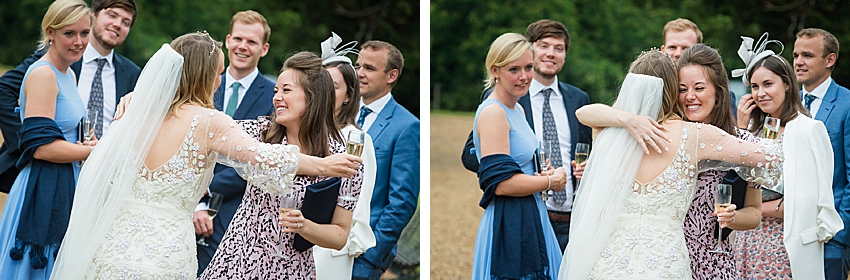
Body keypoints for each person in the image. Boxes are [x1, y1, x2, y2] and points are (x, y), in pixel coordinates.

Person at [50, 32, 361, 279]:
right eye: (218, 73)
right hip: (175, 255)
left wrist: (140, 98)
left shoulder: (141, 116)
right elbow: (265, 156)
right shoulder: (215, 123)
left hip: (114, 246)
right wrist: (322, 165)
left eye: (286, 90)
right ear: (204, 74)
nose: (220, 81)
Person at [559, 50, 784, 279]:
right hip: (665, 261)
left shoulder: (609, 134)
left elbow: (583, 113)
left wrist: (627, 120)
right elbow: (771, 156)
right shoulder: (695, 136)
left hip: (612, 261)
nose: (689, 96)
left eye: (698, 88)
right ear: (671, 90)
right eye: (682, 89)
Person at [200, 51, 364, 279]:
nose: (277, 97)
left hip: (291, 269)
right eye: (276, 90)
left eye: (286, 90)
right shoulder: (259, 135)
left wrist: (304, 226)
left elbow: (339, 236)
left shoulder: (342, 159)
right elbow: (204, 128)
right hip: (238, 261)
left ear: (313, 96)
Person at [460, 20, 592, 252]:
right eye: (544, 46)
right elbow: (472, 155)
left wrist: (588, 166)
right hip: (524, 211)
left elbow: (587, 150)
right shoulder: (507, 100)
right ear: (529, 50)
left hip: (574, 218)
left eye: (559, 48)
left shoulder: (579, 99)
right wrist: (524, 177)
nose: (551, 53)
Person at [0, 0, 140, 193]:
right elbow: (4, 90)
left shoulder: (133, 74)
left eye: (126, 22)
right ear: (94, 15)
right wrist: (26, 141)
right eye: (112, 15)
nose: (118, 24)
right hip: (51, 171)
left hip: (102, 181)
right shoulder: (59, 56)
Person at [734, 33, 843, 280]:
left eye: (768, 84)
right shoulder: (752, 130)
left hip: (784, 247)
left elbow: (808, 200)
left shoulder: (809, 130)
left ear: (786, 84)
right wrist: (741, 131)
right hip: (746, 241)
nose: (760, 93)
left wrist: (753, 209)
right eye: (754, 86)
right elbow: (734, 184)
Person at [0, 1, 95, 277]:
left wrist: (85, 142)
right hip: (41, 188)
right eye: (69, 34)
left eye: (84, 33)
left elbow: (63, 130)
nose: (78, 42)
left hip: (64, 183)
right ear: (50, 33)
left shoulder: (69, 73)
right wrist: (92, 152)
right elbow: (41, 148)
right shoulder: (43, 74)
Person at [470, 32, 568, 279]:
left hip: (530, 211)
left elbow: (523, 163)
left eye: (528, 67)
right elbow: (501, 184)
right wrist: (550, 182)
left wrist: (545, 170)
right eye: (514, 69)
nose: (524, 77)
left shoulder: (518, 109)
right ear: (495, 70)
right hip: (510, 220)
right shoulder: (494, 113)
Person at [193, 10, 276, 275]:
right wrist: (193, 200)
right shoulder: (201, 85)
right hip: (184, 205)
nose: (243, 46)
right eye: (238, 38)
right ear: (227, 40)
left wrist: (204, 196)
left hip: (235, 213)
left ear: (264, 49)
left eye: (251, 42)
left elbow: (259, 160)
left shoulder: (274, 98)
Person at [351, 40, 420, 280]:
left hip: (365, 253)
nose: (359, 73)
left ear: (391, 75)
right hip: (325, 243)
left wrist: (372, 253)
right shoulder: (340, 112)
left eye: (369, 68)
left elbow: (402, 201)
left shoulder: (406, 126)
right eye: (358, 65)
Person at [313, 32, 378, 279]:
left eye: (335, 86)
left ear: (349, 95)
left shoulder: (357, 139)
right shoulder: (301, 132)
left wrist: (344, 246)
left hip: (331, 251)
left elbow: (360, 199)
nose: (326, 91)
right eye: (322, 84)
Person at [792, 27, 850, 280]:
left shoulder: (847, 105)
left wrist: (839, 236)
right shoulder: (788, 104)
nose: (798, 62)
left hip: (830, 237)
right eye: (795, 55)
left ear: (830, 60)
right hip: (791, 233)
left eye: (807, 55)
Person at [661, 18, 737, 119]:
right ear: (663, 50)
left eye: (685, 48)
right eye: (672, 47)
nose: (678, 53)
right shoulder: (655, 92)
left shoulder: (724, 97)